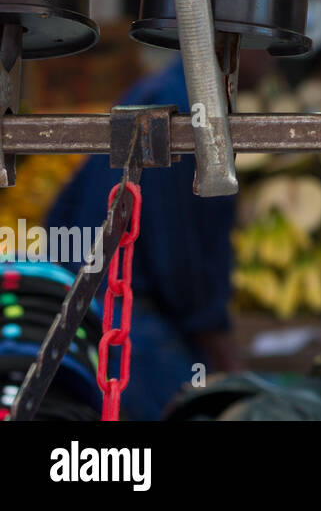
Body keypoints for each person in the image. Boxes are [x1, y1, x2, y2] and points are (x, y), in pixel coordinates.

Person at [45, 59, 237, 420]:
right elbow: (183, 264)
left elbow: (57, 217)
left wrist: (65, 297)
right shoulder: (185, 115)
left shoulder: (147, 94)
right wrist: (222, 348)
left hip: (95, 318)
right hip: (142, 337)